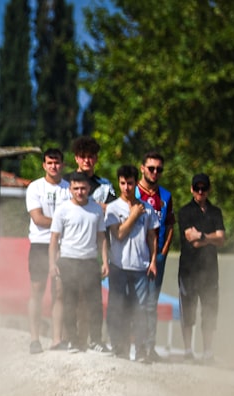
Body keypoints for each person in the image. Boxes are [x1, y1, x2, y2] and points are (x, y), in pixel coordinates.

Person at [65, 136, 116, 352]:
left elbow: (117, 212)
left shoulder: (104, 186)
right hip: (69, 248)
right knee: (68, 298)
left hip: (94, 248)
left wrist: (105, 207)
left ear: (96, 159)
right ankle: (67, 339)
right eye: (83, 157)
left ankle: (95, 339)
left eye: (91, 157)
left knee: (93, 298)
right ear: (77, 158)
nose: (87, 161)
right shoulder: (65, 182)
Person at [49, 172, 109, 352]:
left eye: (83, 188)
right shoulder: (63, 209)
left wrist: (104, 261)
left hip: (90, 261)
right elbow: (54, 239)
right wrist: (52, 263)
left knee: (95, 303)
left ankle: (96, 340)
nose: (80, 192)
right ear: (70, 189)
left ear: (89, 188)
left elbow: (101, 238)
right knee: (70, 302)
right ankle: (73, 341)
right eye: (76, 188)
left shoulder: (96, 209)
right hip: (68, 260)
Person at [104, 165, 158, 360]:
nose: (126, 187)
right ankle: (120, 347)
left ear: (136, 183)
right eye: (123, 183)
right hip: (119, 266)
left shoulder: (148, 208)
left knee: (140, 310)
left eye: (130, 183)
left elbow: (152, 236)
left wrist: (153, 260)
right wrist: (134, 214)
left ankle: (141, 349)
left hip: (140, 266)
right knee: (118, 308)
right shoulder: (113, 208)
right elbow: (117, 234)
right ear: (119, 183)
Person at [176, 173, 226, 363]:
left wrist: (203, 236)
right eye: (197, 188)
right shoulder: (185, 211)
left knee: (210, 310)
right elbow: (191, 239)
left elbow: (221, 239)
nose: (200, 192)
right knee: (188, 310)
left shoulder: (216, 212)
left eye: (203, 188)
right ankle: (188, 350)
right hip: (189, 269)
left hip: (210, 270)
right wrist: (210, 237)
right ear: (191, 189)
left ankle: (208, 351)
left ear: (208, 190)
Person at [25, 148, 71, 353]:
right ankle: (34, 338)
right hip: (40, 245)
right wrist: (62, 222)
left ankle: (56, 339)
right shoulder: (35, 187)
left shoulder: (70, 189)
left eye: (57, 162)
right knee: (37, 290)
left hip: (63, 246)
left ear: (63, 164)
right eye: (50, 163)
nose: (54, 166)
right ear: (44, 165)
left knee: (59, 292)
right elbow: (38, 219)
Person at [135, 151, 174, 362]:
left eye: (159, 169)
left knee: (151, 303)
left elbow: (170, 225)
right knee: (133, 302)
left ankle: (149, 347)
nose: (155, 172)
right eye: (151, 168)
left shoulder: (165, 196)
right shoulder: (133, 192)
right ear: (142, 168)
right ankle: (132, 345)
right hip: (134, 256)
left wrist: (164, 251)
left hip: (156, 256)